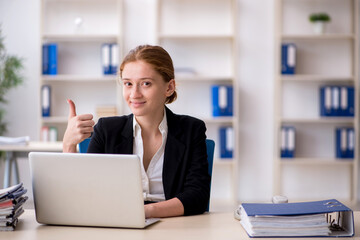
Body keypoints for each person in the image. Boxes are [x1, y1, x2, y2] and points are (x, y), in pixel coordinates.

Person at [63, 45, 210, 218]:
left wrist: (145, 212)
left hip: (171, 223)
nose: (134, 94)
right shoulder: (106, 130)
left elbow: (197, 196)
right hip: (117, 223)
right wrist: (68, 144)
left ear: (169, 87)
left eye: (146, 83)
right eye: (128, 84)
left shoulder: (191, 130)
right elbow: (83, 193)